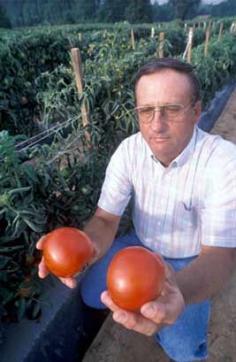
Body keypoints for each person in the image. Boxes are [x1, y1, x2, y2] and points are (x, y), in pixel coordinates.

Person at [37, 58, 236, 362]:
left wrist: (177, 290)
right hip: (139, 246)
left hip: (192, 259)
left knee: (184, 351)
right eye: (146, 111)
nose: (156, 124)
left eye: (172, 109)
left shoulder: (223, 161)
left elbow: (220, 255)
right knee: (93, 295)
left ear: (196, 111)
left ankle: (183, 327)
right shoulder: (129, 151)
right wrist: (85, 245)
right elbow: (105, 220)